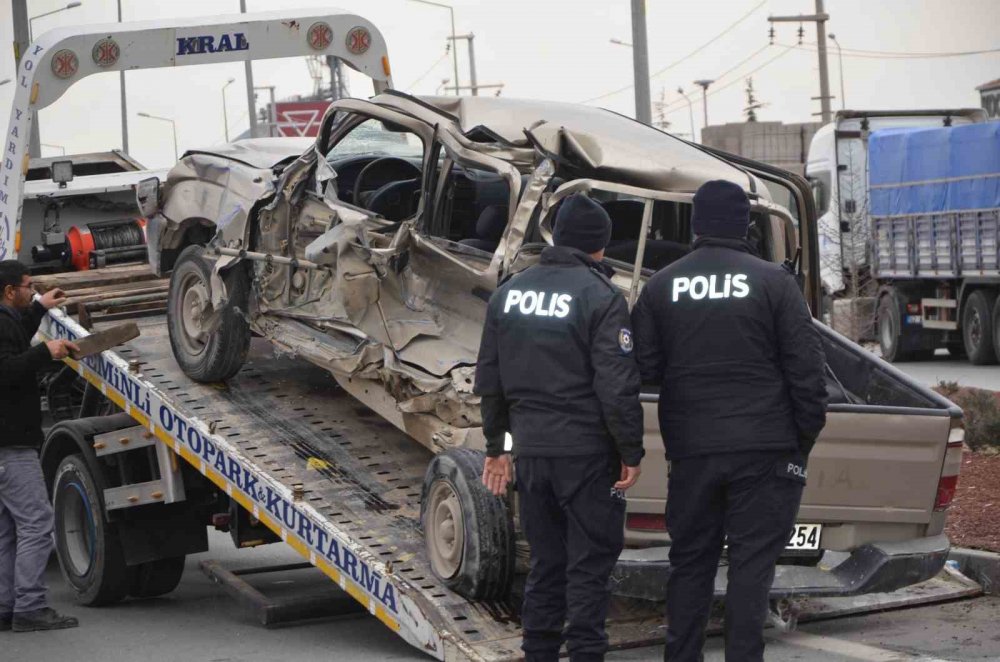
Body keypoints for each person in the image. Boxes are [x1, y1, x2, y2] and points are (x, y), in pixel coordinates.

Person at [630, 180, 827, 662]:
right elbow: (807, 375)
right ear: (745, 224)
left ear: (697, 223)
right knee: (751, 569)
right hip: (765, 451)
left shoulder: (660, 286)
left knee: (690, 564)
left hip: (693, 452)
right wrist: (798, 443)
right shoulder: (774, 282)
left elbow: (643, 370)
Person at [475, 193, 644, 662]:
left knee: (546, 565)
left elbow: (490, 379)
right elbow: (616, 386)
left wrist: (497, 447)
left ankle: (539, 654)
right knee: (588, 568)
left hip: (532, 455)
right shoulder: (602, 297)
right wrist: (631, 451)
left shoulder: (510, 292)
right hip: (588, 458)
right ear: (601, 246)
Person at [0, 260, 80, 633]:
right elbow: (7, 369)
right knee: (37, 524)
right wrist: (45, 352)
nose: (31, 290)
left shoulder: (6, 319)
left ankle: (6, 607)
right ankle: (30, 607)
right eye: (27, 287)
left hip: (7, 445)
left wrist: (38, 307)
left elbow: (14, 341)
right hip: (10, 446)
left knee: (9, 530)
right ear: (8, 290)